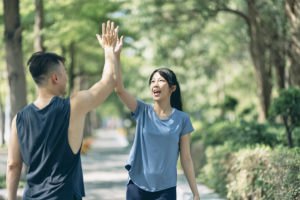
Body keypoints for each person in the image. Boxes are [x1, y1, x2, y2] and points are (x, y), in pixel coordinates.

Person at [6, 20, 122, 200]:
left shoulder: (18, 119)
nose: (67, 77)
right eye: (65, 72)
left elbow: (13, 165)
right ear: (55, 78)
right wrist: (109, 50)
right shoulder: (74, 105)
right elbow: (108, 82)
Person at [114, 37, 200, 199]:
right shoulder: (142, 110)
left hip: (166, 189)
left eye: (161, 81)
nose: (155, 84)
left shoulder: (182, 119)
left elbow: (186, 158)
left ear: (172, 88)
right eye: (152, 81)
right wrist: (116, 56)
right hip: (137, 186)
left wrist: (195, 193)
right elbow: (119, 89)